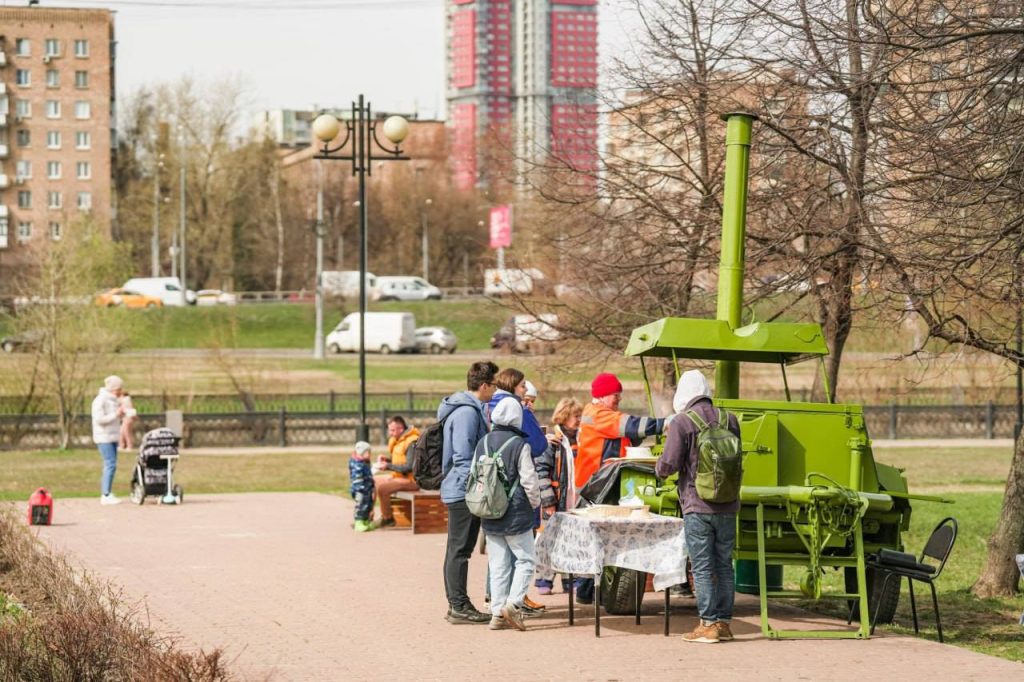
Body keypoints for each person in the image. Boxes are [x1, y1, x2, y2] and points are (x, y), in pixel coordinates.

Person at [655, 370, 741, 643]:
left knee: (702, 567)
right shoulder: (731, 419)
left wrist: (659, 467)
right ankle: (724, 624)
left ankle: (707, 624)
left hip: (697, 505)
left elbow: (667, 466)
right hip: (728, 505)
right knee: (725, 564)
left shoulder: (683, 422)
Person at [573, 372, 667, 603]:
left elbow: (621, 437)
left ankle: (587, 591)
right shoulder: (600, 416)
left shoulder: (594, 414)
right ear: (603, 396)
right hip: (597, 485)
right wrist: (666, 424)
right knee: (598, 538)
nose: (618, 400)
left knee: (595, 537)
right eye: (616, 396)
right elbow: (630, 425)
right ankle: (586, 591)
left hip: (592, 482)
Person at [439, 360, 498, 624]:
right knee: (459, 549)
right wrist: (476, 485)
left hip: (462, 487)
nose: (495, 390)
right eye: (494, 384)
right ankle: (458, 605)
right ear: (484, 385)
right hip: (463, 489)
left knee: (459, 548)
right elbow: (463, 456)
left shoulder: (470, 409)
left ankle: (458, 604)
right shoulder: (466, 413)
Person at [477, 398, 541, 631]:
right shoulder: (519, 444)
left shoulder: (483, 442)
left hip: (489, 510)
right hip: (515, 511)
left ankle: (497, 613)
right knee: (525, 559)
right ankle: (513, 605)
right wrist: (535, 504)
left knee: (498, 564)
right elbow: (529, 481)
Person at [534, 396, 582, 594]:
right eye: (576, 416)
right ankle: (544, 578)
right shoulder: (552, 442)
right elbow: (541, 472)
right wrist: (548, 501)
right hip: (556, 499)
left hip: (576, 499)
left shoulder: (581, 439)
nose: (579, 419)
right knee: (549, 539)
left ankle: (569, 578)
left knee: (572, 540)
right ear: (564, 416)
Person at [373, 415, 421, 527]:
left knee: (383, 488)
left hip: (411, 481)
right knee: (371, 481)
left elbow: (410, 466)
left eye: (393, 430)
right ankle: (367, 515)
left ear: (401, 429)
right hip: (398, 476)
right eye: (389, 430)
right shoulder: (397, 440)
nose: (390, 433)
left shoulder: (411, 442)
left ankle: (388, 519)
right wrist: (386, 460)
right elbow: (399, 461)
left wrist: (388, 466)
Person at [92, 375, 126, 505]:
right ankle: (105, 494)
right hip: (104, 437)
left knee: (112, 464)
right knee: (110, 464)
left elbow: (112, 419)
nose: (120, 391)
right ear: (113, 388)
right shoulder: (100, 401)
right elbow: (99, 419)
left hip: (112, 436)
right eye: (119, 389)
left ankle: (108, 492)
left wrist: (120, 415)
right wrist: (116, 415)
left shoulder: (113, 401)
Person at [349, 441, 376, 533]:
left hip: (367, 488)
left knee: (368, 505)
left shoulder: (365, 462)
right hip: (360, 489)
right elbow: (357, 478)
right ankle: (358, 522)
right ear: (361, 453)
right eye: (367, 452)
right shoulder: (357, 464)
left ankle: (365, 521)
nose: (369, 455)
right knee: (361, 505)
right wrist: (361, 488)